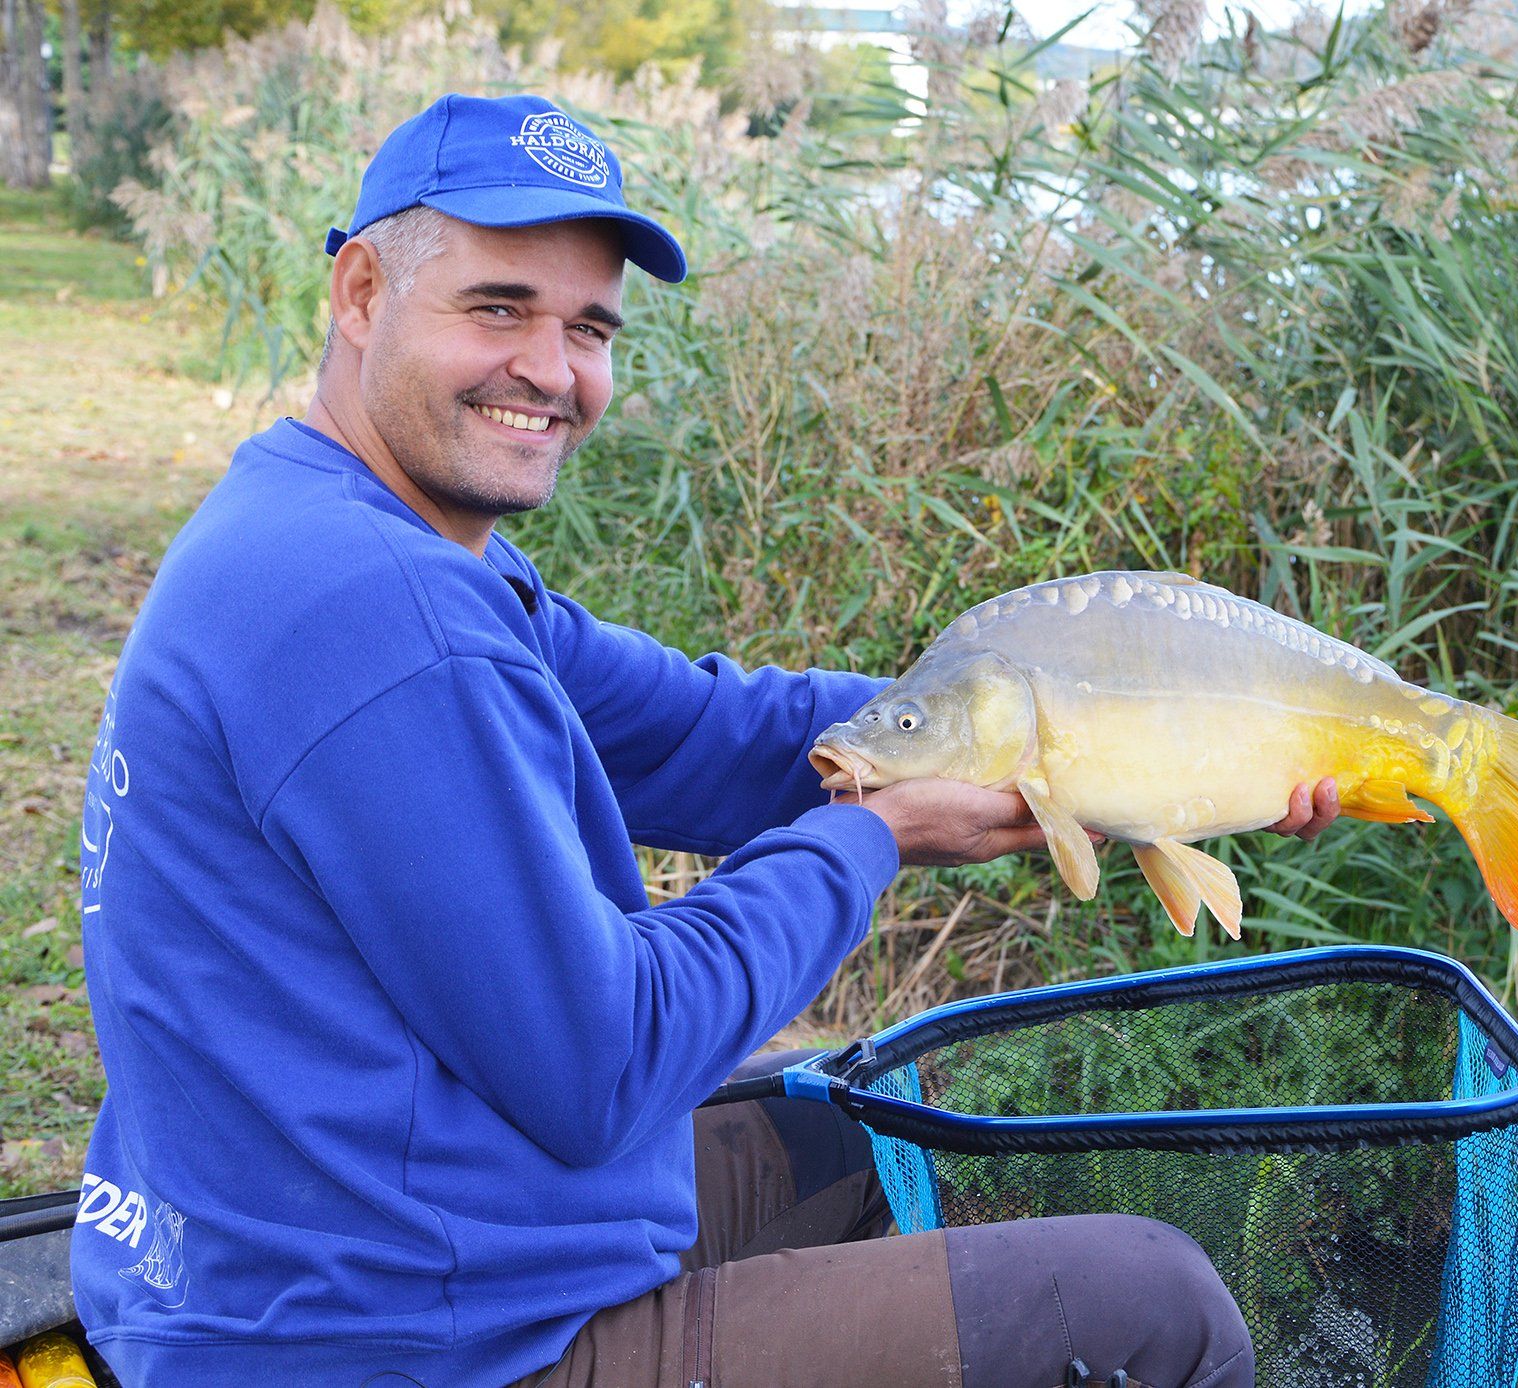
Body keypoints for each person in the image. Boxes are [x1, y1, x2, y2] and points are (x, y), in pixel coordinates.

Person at [71, 93, 1340, 1387]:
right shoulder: (378, 616)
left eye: (589, 328)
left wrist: (1020, 716)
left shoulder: (339, 529)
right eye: (498, 308)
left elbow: (700, 730)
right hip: (383, 1342)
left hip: (323, 1235)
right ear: (359, 291)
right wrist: (869, 837)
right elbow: (603, 1060)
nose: (552, 371)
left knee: (842, 1130)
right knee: (1156, 1302)